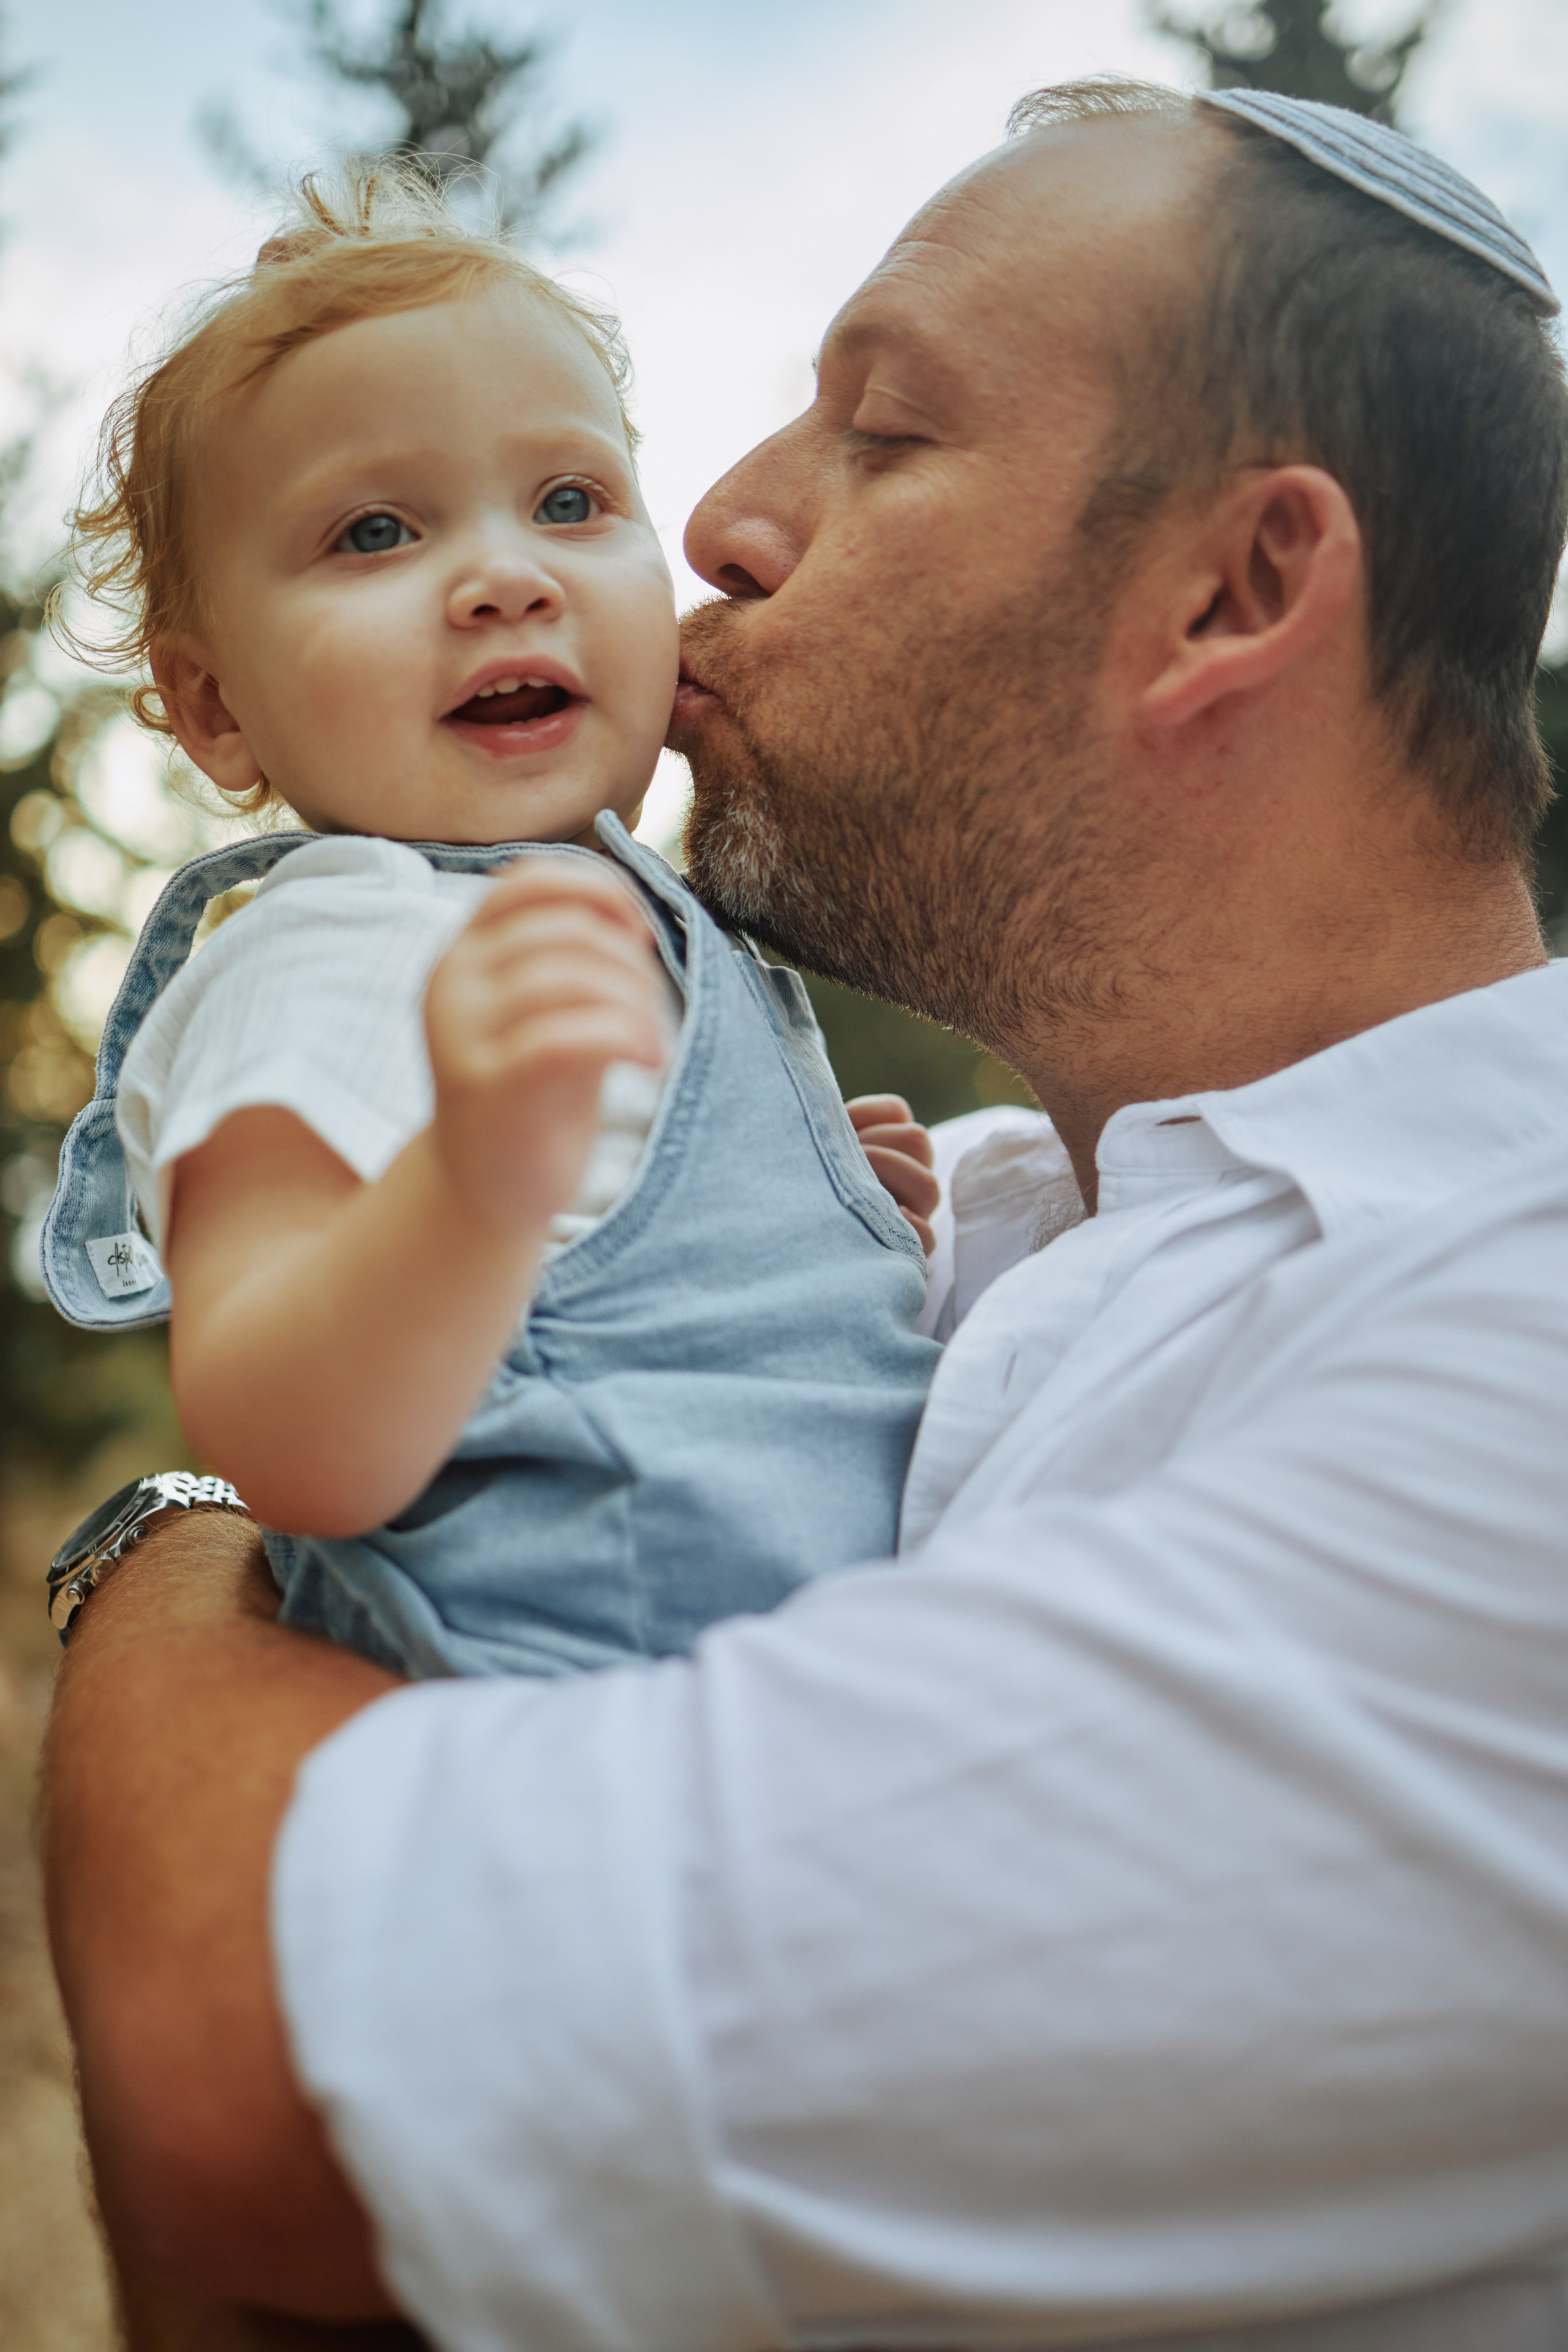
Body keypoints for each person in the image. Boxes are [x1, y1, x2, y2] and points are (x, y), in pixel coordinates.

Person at [42, 76, 1568, 2352]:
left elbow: (244, 2078)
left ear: (1236, 590)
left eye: (884, 431)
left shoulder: (1512, 1354)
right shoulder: (1002, 1212)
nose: (722, 529)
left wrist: (169, 1554)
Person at [40, 170, 940, 1683]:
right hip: (579, 1723)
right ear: (213, 708)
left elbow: (608, 1294)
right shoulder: (330, 952)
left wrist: (802, 1234)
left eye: (571, 502)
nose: (505, 578)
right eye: (377, 531)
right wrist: (470, 1178)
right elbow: (284, 1434)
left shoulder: (613, 924)